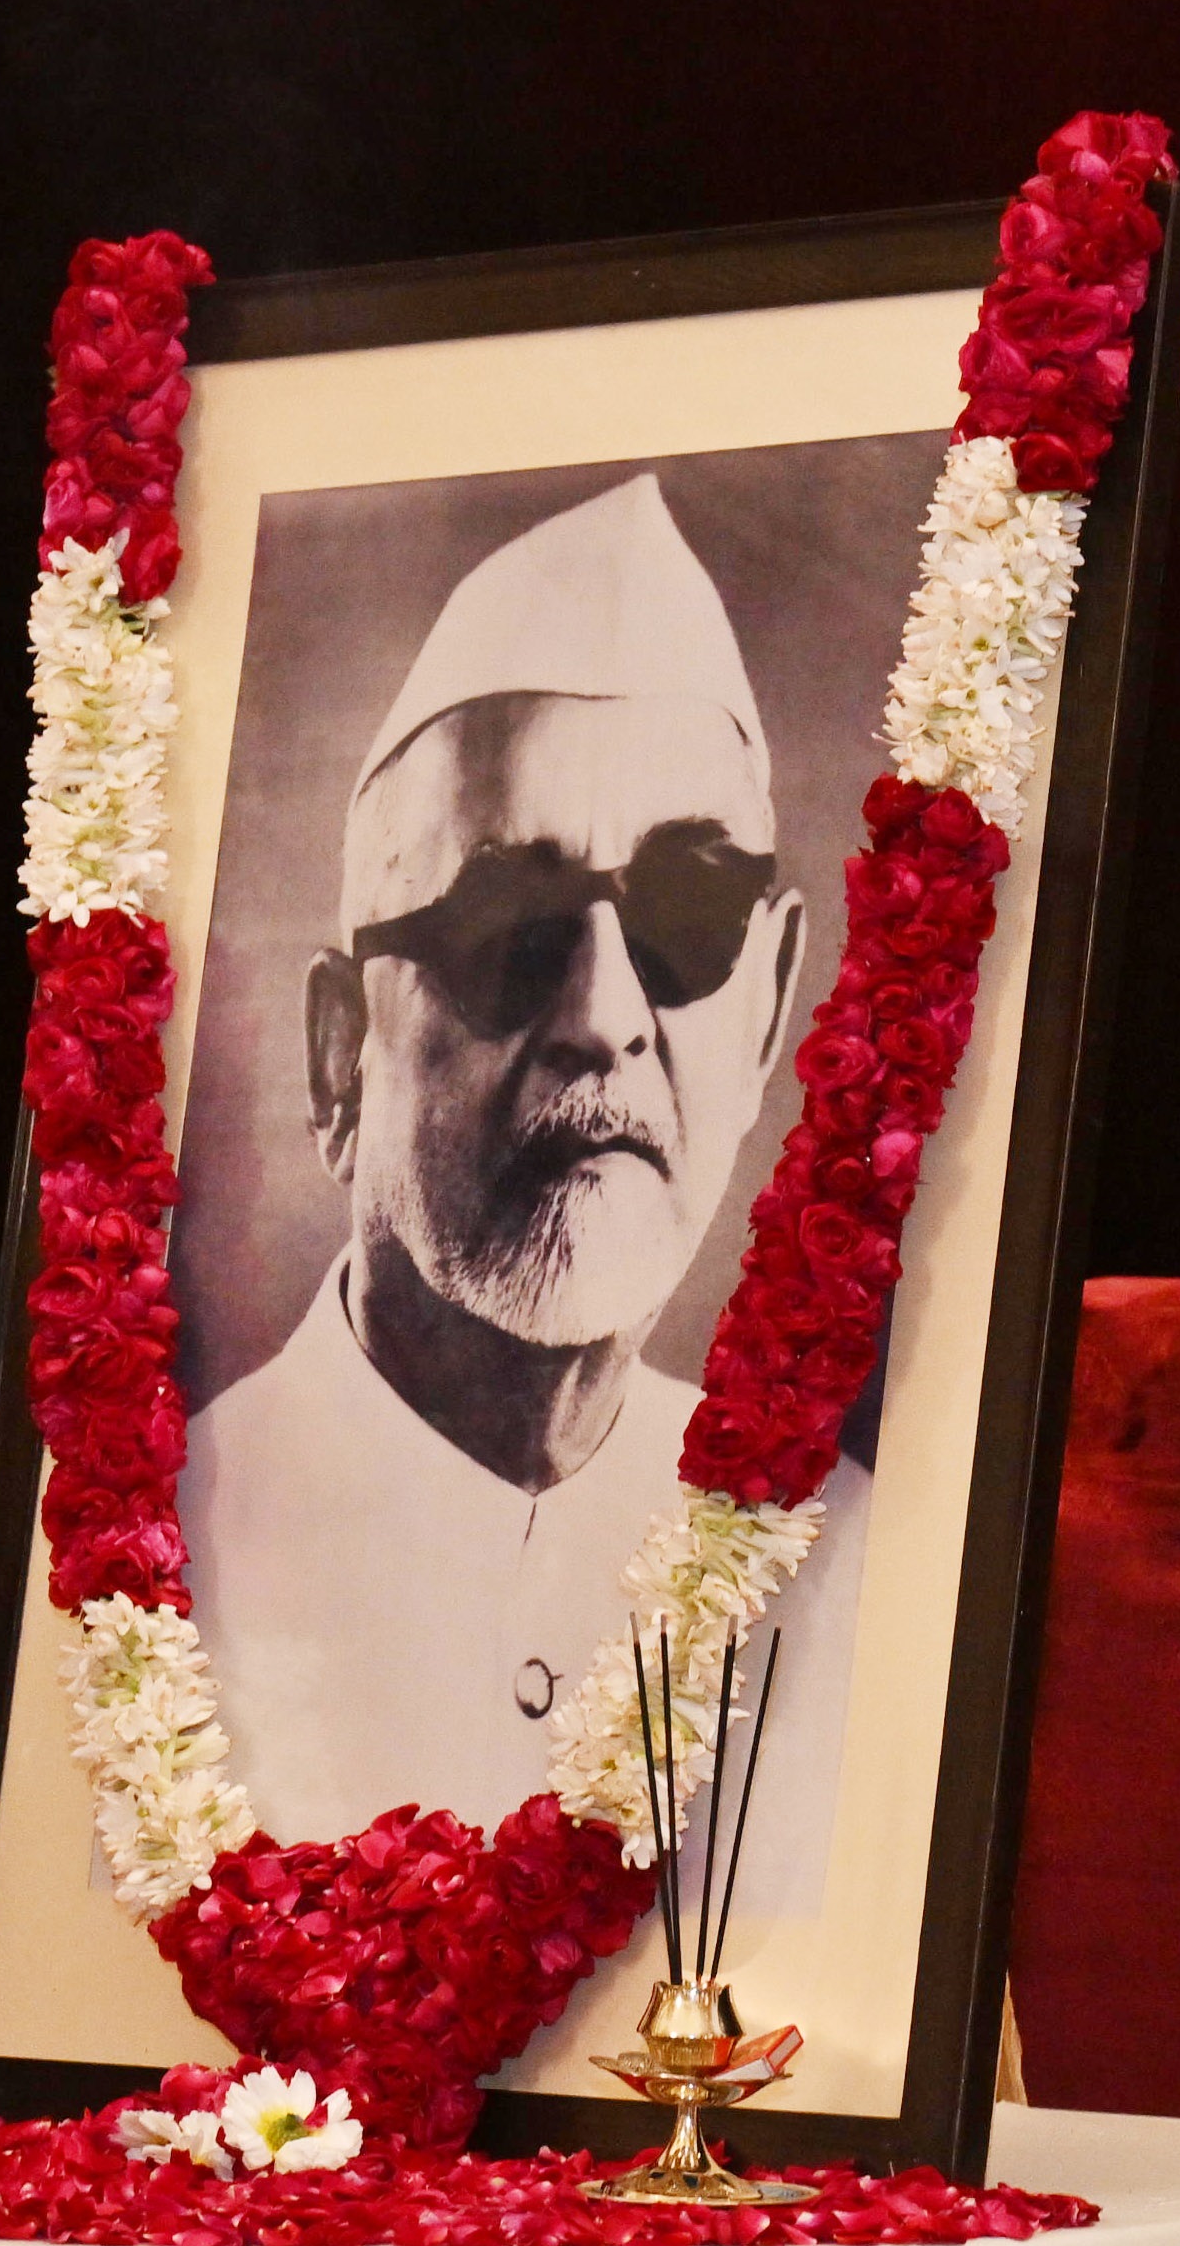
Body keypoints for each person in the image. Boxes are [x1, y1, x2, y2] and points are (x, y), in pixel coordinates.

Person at [185, 470, 813, 1831]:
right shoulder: (158, 1556)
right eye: (509, 923)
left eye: (687, 916)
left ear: (766, 1006)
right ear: (341, 1054)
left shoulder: (861, 1564)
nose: (601, 1023)